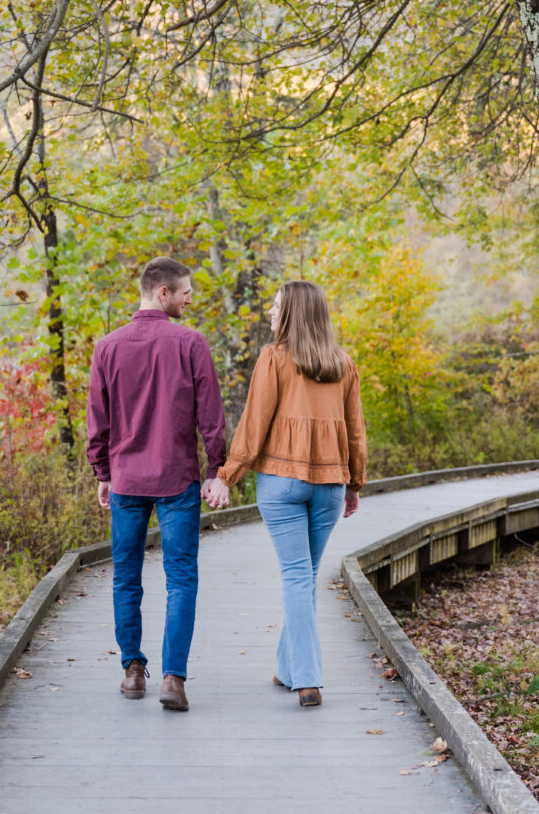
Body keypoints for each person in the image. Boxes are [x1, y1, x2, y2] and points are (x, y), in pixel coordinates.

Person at [206, 280, 367, 707]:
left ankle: (308, 679)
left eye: (276, 307)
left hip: (282, 482)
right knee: (305, 576)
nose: (270, 314)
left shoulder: (275, 358)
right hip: (330, 486)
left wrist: (227, 475)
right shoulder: (343, 364)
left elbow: (254, 424)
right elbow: (356, 433)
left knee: (298, 577)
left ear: (294, 313)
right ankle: (288, 667)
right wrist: (354, 483)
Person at [86, 256, 226, 712]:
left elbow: (98, 423)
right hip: (176, 478)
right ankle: (172, 678)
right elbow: (212, 418)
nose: (190, 299)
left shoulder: (107, 347)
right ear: (161, 292)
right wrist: (215, 469)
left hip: (126, 479)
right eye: (185, 291)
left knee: (126, 576)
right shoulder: (191, 343)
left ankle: (131, 671)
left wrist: (103, 472)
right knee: (180, 578)